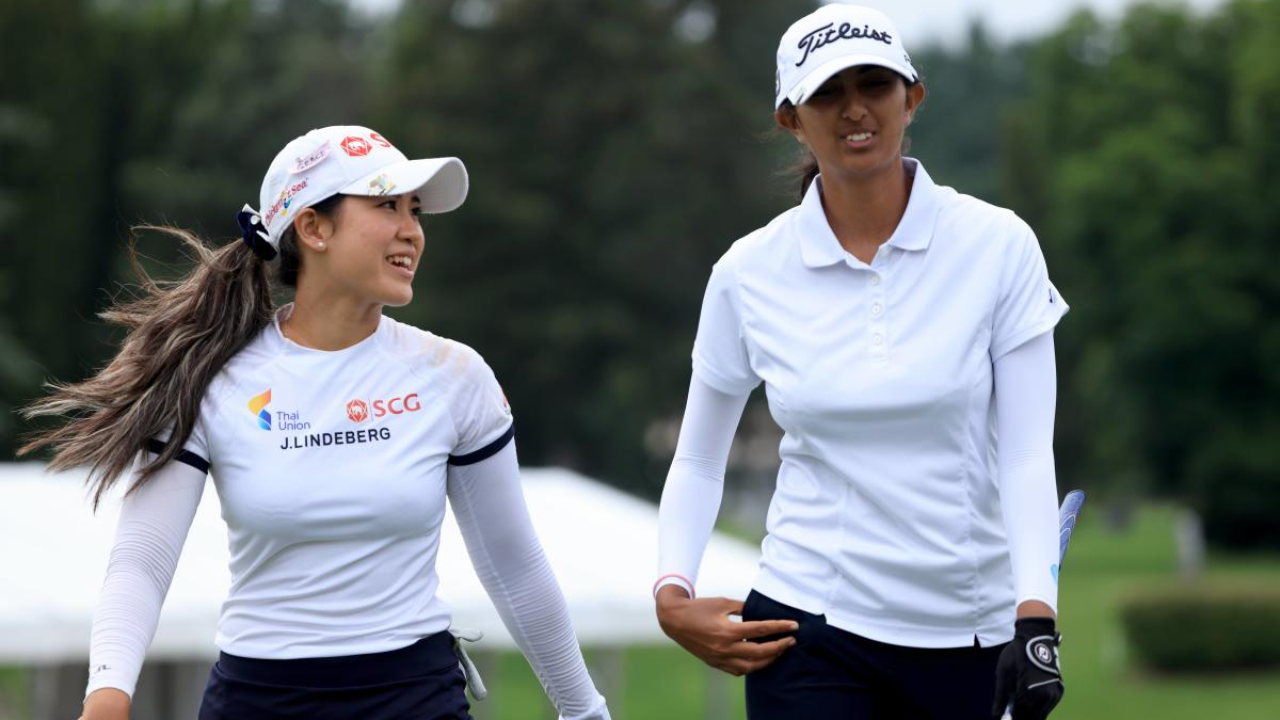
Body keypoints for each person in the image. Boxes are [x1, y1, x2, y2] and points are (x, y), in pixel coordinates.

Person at [21, 125, 610, 720]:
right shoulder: (209, 377)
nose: (412, 230)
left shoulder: (456, 375)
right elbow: (143, 560)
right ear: (313, 227)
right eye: (386, 206)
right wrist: (107, 695)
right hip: (258, 701)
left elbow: (513, 560)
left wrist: (584, 711)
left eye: (415, 210)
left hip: (416, 697)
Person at [653, 6, 1069, 720]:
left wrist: (1036, 618)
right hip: (809, 627)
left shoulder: (999, 246)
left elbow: (1028, 455)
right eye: (827, 93)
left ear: (913, 97)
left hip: (970, 628)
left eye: (874, 85)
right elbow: (697, 458)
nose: (854, 110)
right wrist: (672, 591)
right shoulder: (748, 272)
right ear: (791, 117)